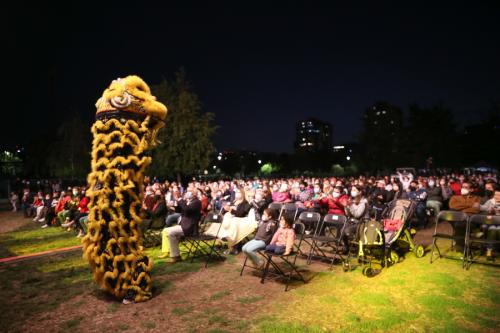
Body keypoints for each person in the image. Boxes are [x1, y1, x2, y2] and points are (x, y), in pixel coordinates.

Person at [158, 185, 201, 262]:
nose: (187, 193)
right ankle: (171, 253)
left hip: (190, 228)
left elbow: (187, 210)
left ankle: (175, 256)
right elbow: (181, 210)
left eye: (190, 191)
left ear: (194, 194)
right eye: (187, 191)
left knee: (171, 232)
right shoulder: (188, 201)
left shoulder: (197, 202)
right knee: (166, 230)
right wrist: (175, 204)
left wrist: (180, 199)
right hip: (184, 225)